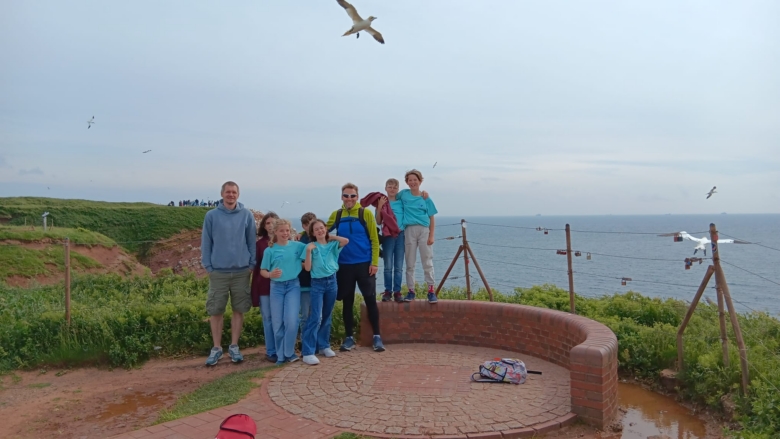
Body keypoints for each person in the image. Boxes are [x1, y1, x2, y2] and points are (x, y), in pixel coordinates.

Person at [201, 181, 257, 366]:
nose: (231, 195)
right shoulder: (211, 216)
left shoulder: (246, 215)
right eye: (228, 192)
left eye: (234, 192)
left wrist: (251, 264)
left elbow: (251, 242)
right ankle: (216, 348)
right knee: (216, 310)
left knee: (238, 309)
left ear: (238, 194)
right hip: (218, 271)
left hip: (242, 271)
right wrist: (208, 266)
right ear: (222, 193)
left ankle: (234, 346)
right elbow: (206, 242)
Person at [326, 183, 385, 352]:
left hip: (364, 264)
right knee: (347, 302)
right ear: (341, 197)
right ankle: (349, 338)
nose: (349, 199)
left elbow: (374, 239)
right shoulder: (337, 215)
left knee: (370, 300)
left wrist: (374, 263)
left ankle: (377, 337)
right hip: (344, 265)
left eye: (352, 196)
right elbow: (321, 232)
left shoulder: (365, 213)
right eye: (346, 196)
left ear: (357, 197)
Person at [301, 219, 349, 365]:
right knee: (316, 316)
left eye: (322, 228)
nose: (320, 231)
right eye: (316, 229)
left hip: (332, 282)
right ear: (312, 233)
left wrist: (331, 236)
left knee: (327, 315)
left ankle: (324, 345)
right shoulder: (311, 247)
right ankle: (308, 352)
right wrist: (309, 250)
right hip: (317, 283)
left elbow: (346, 240)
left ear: (326, 229)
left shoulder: (333, 244)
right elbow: (307, 269)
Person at [260, 219, 306, 365]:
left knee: (292, 322)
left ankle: (289, 352)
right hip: (276, 288)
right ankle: (280, 356)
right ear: (275, 232)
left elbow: (313, 245)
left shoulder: (298, 246)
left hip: (293, 286)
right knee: (277, 323)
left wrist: (303, 234)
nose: (285, 233)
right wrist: (270, 275)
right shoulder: (270, 250)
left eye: (287, 230)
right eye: (282, 231)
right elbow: (263, 271)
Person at [399, 169, 439, 303]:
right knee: (410, 262)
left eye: (415, 180)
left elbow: (432, 217)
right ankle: (411, 291)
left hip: (424, 230)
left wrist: (431, 235)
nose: (412, 182)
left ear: (420, 181)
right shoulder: (403, 194)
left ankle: (431, 290)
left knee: (427, 261)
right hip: (409, 230)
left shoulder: (426, 197)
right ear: (406, 182)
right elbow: (392, 198)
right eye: (410, 180)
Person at [251, 211, 279, 363]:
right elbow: (256, 270)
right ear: (264, 226)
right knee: (268, 319)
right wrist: (254, 292)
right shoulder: (259, 245)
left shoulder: (284, 242)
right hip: (264, 287)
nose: (270, 225)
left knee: (280, 319)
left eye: (273, 222)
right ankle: (271, 351)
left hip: (281, 287)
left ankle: (282, 349)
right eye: (267, 223)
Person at [297, 212, 317, 332]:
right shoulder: (299, 241)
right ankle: (304, 341)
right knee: (304, 315)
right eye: (309, 224)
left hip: (318, 282)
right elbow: (296, 261)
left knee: (316, 315)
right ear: (304, 226)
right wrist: (308, 265)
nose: (312, 227)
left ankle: (316, 342)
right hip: (304, 282)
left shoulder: (320, 239)